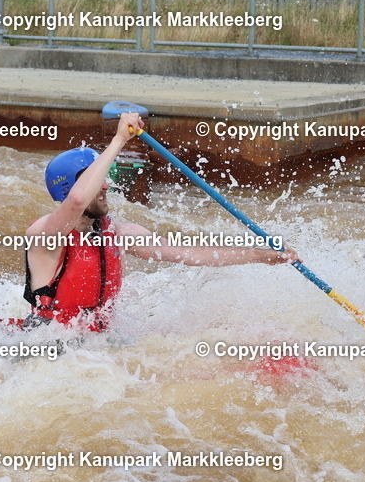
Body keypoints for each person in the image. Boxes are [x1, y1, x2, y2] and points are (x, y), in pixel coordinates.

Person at [24, 112, 299, 331]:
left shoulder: (117, 233)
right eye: (97, 180)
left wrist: (260, 255)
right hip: (49, 345)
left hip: (98, 346)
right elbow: (77, 200)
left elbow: (189, 254)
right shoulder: (45, 235)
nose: (106, 185)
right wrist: (119, 140)